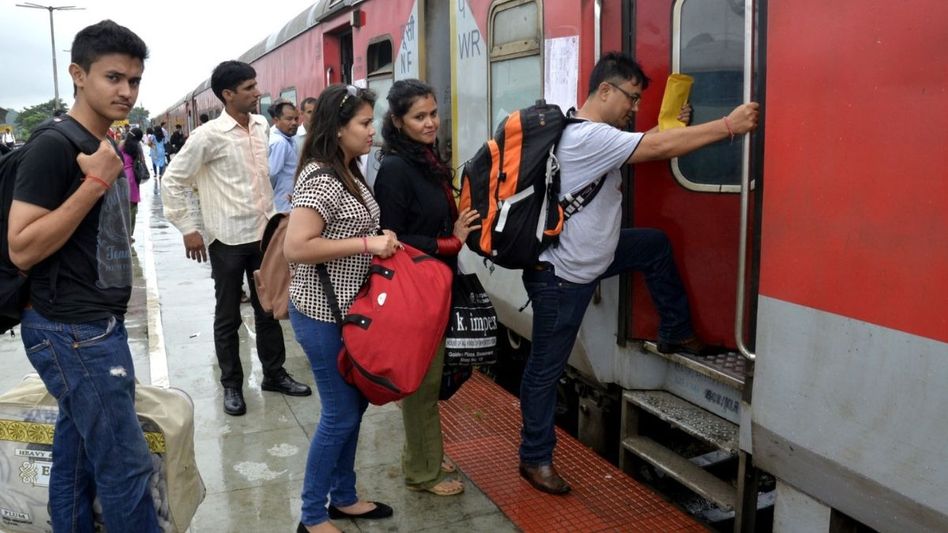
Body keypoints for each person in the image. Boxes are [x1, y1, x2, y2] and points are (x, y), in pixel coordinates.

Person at [517, 51, 759, 495]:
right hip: (563, 277)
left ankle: (675, 330)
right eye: (631, 97)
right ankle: (535, 459)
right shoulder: (589, 138)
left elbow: (648, 143)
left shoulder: (589, 131)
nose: (634, 107)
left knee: (653, 245)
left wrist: (669, 128)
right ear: (604, 90)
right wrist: (729, 125)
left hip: (594, 256)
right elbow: (657, 148)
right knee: (544, 370)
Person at [7, 20, 159, 532]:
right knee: (125, 464)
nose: (127, 91)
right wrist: (94, 182)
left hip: (90, 326)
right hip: (72, 330)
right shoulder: (55, 145)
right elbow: (22, 246)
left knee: (75, 457)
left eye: (134, 81)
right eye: (113, 77)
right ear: (78, 74)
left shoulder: (101, 142)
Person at [161, 60, 311, 416]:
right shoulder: (207, 136)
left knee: (269, 308)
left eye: (256, 85)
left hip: (264, 236)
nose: (257, 92)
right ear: (228, 95)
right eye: (249, 88)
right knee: (227, 315)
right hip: (227, 239)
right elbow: (173, 181)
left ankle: (274, 374)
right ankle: (232, 386)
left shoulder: (260, 126)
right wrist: (189, 229)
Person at [284, 84, 397, 533]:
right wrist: (369, 242)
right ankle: (312, 514)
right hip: (320, 314)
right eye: (365, 123)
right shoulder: (320, 179)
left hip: (347, 312)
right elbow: (297, 246)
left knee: (354, 406)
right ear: (338, 128)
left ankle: (344, 497)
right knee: (341, 412)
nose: (373, 131)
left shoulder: (348, 169)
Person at [373, 79, 478, 497]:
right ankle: (423, 472)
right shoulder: (397, 168)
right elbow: (390, 236)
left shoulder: (424, 159)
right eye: (419, 116)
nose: (431, 122)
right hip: (417, 290)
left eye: (433, 113)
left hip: (436, 283)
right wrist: (449, 239)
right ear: (398, 121)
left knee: (431, 381)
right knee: (422, 383)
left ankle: (425, 454)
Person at [267, 100, 299, 212]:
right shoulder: (280, 143)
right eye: (289, 119)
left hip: (286, 202)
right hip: (282, 204)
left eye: (296, 119)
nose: (294, 123)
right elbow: (272, 174)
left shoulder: (288, 139)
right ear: (276, 120)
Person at [121, 127, 145, 239]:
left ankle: (122, 232)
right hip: (132, 176)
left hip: (121, 176)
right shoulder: (137, 146)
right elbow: (142, 161)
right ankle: (129, 234)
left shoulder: (121, 144)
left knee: (122, 207)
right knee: (132, 208)